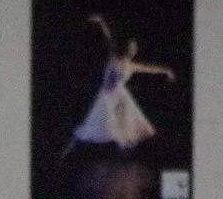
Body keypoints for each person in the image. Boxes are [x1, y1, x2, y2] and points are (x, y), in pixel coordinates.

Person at [66, 14, 177, 154]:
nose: (133, 50)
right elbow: (108, 39)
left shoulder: (131, 65)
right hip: (106, 95)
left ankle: (124, 147)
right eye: (131, 48)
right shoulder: (114, 58)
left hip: (120, 95)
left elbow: (150, 69)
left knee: (125, 120)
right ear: (126, 49)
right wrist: (101, 22)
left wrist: (166, 71)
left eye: (134, 48)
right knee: (94, 124)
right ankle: (70, 149)